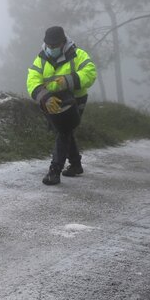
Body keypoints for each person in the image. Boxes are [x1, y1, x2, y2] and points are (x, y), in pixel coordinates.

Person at [26, 26, 97, 185]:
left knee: (64, 130)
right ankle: (76, 165)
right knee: (65, 130)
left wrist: (68, 81)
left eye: (54, 46)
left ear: (63, 42)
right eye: (49, 46)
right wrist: (44, 98)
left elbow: (90, 73)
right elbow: (32, 81)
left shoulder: (78, 55)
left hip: (75, 100)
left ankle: (54, 171)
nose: (51, 49)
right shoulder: (41, 59)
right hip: (52, 100)